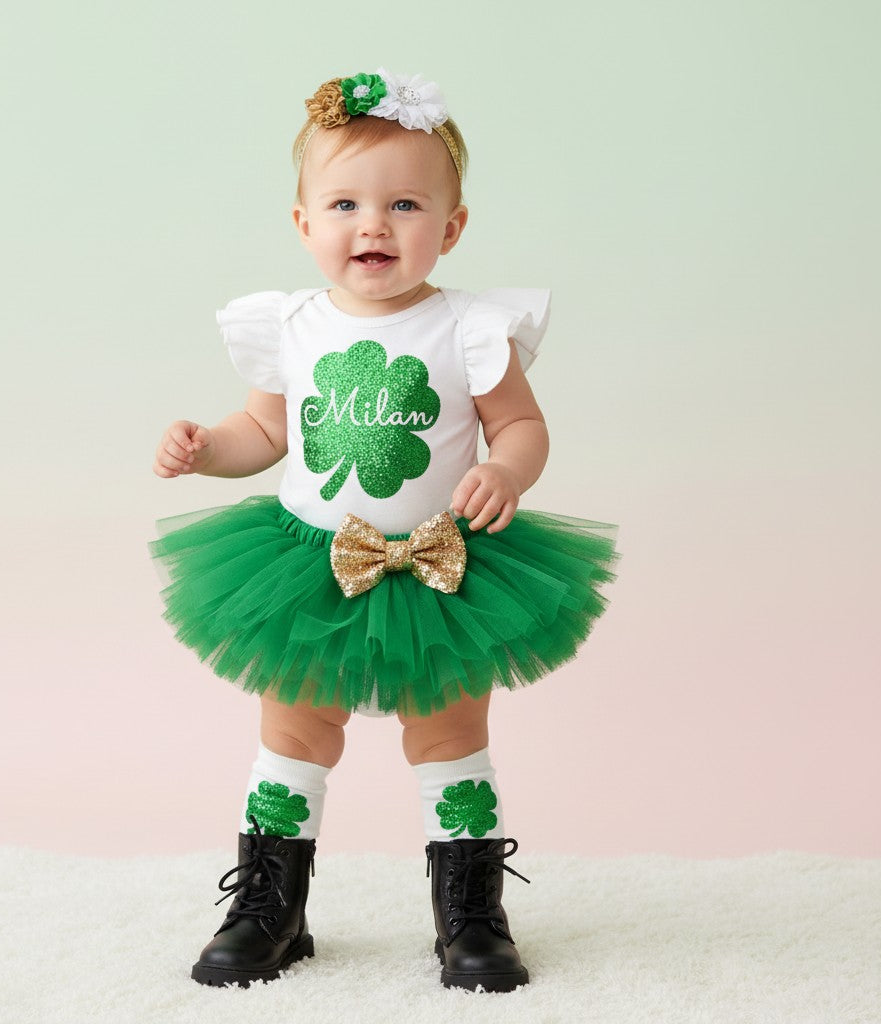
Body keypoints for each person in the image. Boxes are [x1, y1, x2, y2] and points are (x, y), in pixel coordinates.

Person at [150, 68, 620, 992]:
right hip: (309, 567)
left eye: (405, 204)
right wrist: (209, 449)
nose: (374, 225)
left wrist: (505, 469)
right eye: (345, 204)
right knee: (294, 730)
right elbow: (265, 435)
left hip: (442, 568)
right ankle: (270, 907)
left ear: (451, 227)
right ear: (303, 223)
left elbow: (522, 425)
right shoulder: (289, 326)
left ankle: (470, 915)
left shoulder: (469, 329)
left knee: (448, 733)